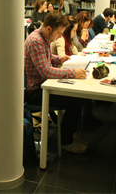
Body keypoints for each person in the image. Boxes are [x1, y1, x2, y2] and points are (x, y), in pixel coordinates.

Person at [24, 11, 88, 153]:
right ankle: (66, 140)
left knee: (77, 97)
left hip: (43, 85)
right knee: (76, 100)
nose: (60, 36)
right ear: (49, 29)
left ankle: (68, 134)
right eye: (59, 33)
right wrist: (73, 73)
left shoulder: (43, 36)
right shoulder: (36, 40)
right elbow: (46, 71)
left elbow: (45, 57)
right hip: (35, 92)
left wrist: (58, 59)